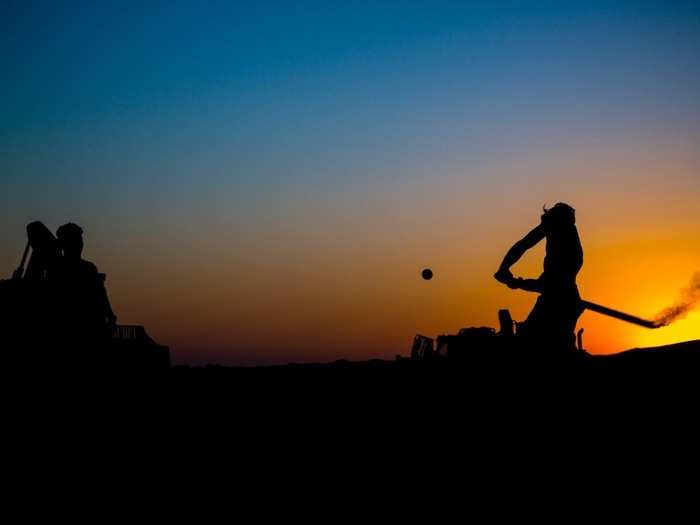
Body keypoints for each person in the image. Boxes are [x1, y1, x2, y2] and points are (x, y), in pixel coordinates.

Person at [494, 203, 583, 354]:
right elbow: (524, 244)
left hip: (560, 304)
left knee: (536, 346)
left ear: (557, 223)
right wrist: (504, 268)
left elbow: (547, 285)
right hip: (556, 300)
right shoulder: (560, 236)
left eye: (546, 223)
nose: (543, 227)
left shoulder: (568, 253)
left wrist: (516, 282)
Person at [55, 223, 117, 349]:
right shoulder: (57, 269)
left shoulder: (89, 267)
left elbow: (101, 294)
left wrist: (110, 316)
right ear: (65, 244)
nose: (80, 244)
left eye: (80, 240)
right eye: (76, 240)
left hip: (94, 327)